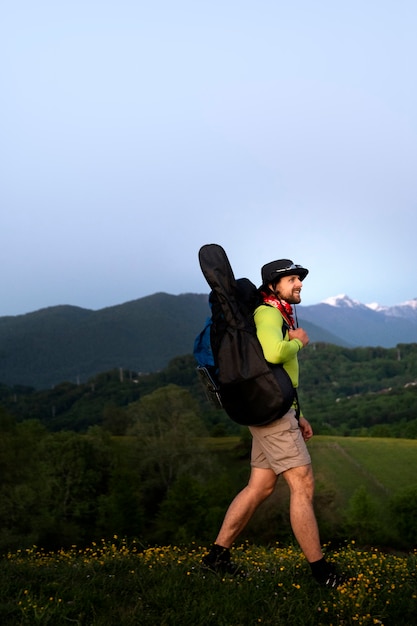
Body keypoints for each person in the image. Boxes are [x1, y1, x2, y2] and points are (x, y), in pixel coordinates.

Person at [202, 258, 344, 587]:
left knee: (260, 487)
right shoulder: (268, 313)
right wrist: (298, 341)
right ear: (273, 285)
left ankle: (216, 557)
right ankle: (321, 573)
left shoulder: (275, 311)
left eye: (299, 279)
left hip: (273, 409)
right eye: (292, 279)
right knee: (302, 486)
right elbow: (272, 354)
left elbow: (274, 376)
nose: (299, 284)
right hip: (273, 416)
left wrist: (297, 412)